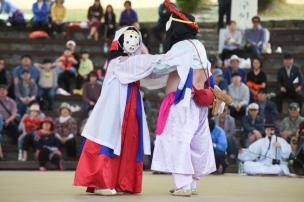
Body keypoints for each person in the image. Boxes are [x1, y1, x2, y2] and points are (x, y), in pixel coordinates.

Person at [74, 26, 155, 195]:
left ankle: (122, 181)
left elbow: (149, 70)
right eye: (129, 37)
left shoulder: (132, 62)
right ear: (120, 41)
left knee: (129, 139)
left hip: (130, 103)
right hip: (114, 106)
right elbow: (146, 64)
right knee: (109, 137)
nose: (133, 41)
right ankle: (102, 182)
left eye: (136, 38)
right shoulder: (117, 62)